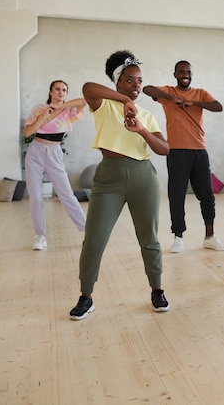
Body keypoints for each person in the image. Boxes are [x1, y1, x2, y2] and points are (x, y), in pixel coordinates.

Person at [69, 50, 170, 320]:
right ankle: (86, 296)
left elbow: (164, 149)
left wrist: (142, 130)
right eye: (129, 80)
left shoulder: (147, 115)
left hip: (143, 177)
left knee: (149, 239)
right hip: (108, 179)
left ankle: (157, 290)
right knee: (94, 239)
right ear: (117, 82)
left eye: (139, 80)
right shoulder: (103, 105)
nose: (136, 85)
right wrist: (124, 100)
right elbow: (88, 88)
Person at [143, 61, 224, 254]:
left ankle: (210, 236)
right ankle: (178, 237)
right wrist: (172, 98)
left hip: (199, 151)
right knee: (177, 195)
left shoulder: (200, 93)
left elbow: (218, 107)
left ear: (191, 74)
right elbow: (148, 89)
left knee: (207, 195)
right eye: (181, 72)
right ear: (175, 75)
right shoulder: (168, 92)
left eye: (188, 72)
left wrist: (193, 103)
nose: (185, 74)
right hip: (176, 152)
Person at [23, 80, 87, 250]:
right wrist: (43, 117)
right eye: (57, 89)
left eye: (64, 90)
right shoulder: (39, 108)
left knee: (66, 195)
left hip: (54, 153)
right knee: (36, 197)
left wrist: (60, 107)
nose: (61, 92)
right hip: (35, 152)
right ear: (50, 91)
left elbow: (84, 101)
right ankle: (39, 236)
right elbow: (27, 132)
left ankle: (87, 231)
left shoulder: (69, 111)